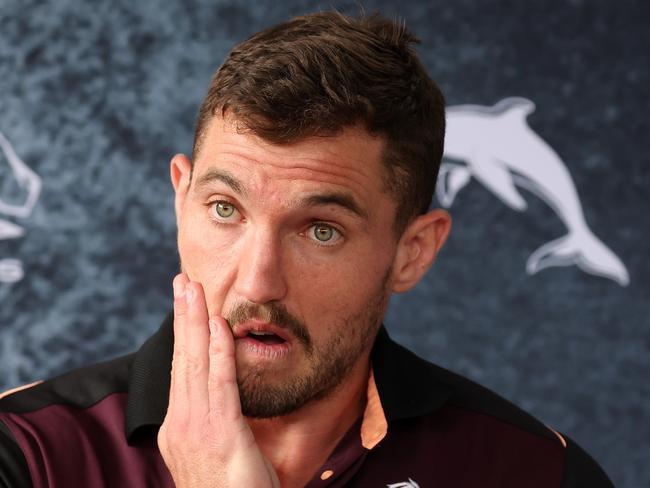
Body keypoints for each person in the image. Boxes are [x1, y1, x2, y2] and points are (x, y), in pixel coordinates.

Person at [0, 10, 614, 488]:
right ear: (180, 202)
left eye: (320, 230)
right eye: (225, 210)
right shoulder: (28, 453)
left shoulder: (533, 472)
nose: (257, 283)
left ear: (413, 251)